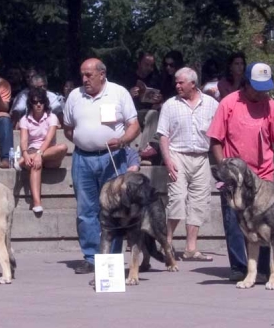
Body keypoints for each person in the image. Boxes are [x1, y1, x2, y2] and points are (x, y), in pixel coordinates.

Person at [207, 62, 274, 281]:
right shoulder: (228, 103)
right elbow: (216, 140)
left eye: (265, 88)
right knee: (233, 221)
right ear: (246, 83)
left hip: (263, 176)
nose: (261, 92)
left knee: (265, 223)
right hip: (235, 175)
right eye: (257, 87)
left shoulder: (271, 106)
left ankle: (263, 270)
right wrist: (224, 167)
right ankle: (238, 267)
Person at [63, 58, 140, 274]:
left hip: (113, 157)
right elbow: (68, 128)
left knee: (114, 209)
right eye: (82, 75)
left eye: (89, 75)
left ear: (102, 74)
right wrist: (85, 140)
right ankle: (91, 257)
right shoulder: (74, 96)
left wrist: (123, 140)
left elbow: (134, 125)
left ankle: (112, 258)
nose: (84, 79)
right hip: (83, 159)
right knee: (85, 210)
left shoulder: (119, 93)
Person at [157, 67, 217, 261]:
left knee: (199, 202)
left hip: (201, 157)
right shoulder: (169, 105)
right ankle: (166, 242)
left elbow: (218, 132)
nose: (177, 86)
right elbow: (163, 135)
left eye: (181, 82)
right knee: (177, 199)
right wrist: (168, 160)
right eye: (176, 82)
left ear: (193, 83)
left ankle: (191, 248)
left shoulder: (211, 104)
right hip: (177, 155)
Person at [14, 87, 68, 213]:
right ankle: (37, 202)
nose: (38, 104)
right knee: (36, 166)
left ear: (45, 103)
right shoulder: (25, 119)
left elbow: (49, 139)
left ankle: (24, 161)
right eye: (35, 102)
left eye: (41, 102)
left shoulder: (52, 117)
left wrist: (39, 154)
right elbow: (23, 140)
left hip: (49, 153)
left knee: (63, 147)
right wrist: (26, 154)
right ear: (31, 104)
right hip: (32, 151)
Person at [125, 52, 163, 166]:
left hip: (146, 112)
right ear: (139, 63)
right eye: (146, 64)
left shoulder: (155, 79)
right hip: (130, 112)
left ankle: (145, 153)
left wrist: (159, 99)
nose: (149, 68)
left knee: (153, 114)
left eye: (151, 65)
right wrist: (129, 94)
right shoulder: (128, 77)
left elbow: (160, 100)